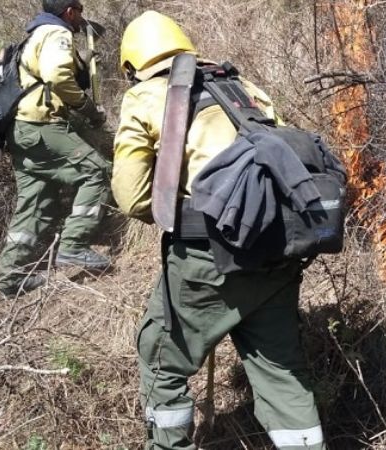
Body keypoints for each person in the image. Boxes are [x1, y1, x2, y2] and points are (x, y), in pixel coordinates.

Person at [113, 11, 326, 450]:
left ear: (133, 66)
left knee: (160, 358)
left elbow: (133, 198)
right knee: (280, 369)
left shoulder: (147, 96)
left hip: (207, 259)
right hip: (275, 249)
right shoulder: (241, 87)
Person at [0, 0, 111, 298]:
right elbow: (57, 76)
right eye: (80, 10)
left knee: (35, 202)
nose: (81, 17)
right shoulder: (56, 33)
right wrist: (86, 108)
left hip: (20, 132)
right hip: (42, 127)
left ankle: (9, 279)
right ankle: (74, 246)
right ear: (70, 11)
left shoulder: (34, 34)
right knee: (97, 171)